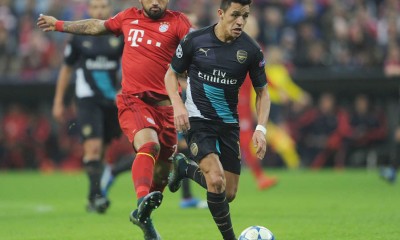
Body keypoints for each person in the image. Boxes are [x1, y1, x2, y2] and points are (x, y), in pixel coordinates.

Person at [37, 0, 192, 239]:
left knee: (162, 173)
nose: (155, 2)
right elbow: (95, 26)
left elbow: (196, 44)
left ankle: (144, 217)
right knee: (149, 145)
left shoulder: (178, 21)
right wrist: (59, 24)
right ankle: (139, 200)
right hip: (134, 102)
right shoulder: (128, 17)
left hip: (167, 108)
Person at [164, 0, 270, 239]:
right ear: (221, 14)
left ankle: (184, 168)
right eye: (235, 15)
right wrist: (178, 104)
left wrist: (261, 128)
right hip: (197, 121)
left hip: (228, 124)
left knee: (228, 192)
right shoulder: (195, 41)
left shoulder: (251, 50)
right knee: (216, 180)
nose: (241, 21)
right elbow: (171, 74)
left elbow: (263, 92)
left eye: (245, 15)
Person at [51, 0, 125, 213]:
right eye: (95, 7)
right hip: (87, 99)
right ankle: (97, 197)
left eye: (103, 7)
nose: (99, 10)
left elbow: (129, 64)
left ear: (109, 9)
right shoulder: (79, 38)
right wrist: (58, 101)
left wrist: (124, 89)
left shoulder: (118, 35)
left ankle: (95, 196)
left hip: (112, 100)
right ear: (89, 10)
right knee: (92, 148)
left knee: (101, 151)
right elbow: (66, 69)